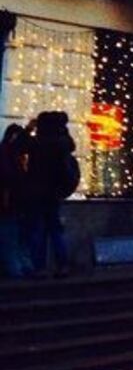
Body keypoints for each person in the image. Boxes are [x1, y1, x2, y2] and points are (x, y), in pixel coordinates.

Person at [26, 112, 78, 277]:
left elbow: (20, 144)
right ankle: (63, 265)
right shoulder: (63, 143)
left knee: (38, 231)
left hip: (37, 193)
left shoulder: (39, 143)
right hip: (54, 193)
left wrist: (28, 129)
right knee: (56, 231)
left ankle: (39, 267)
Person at [0, 125, 32, 278]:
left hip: (14, 204)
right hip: (13, 203)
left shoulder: (9, 153)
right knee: (13, 237)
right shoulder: (10, 156)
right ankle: (18, 268)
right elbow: (8, 180)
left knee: (12, 237)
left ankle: (17, 268)